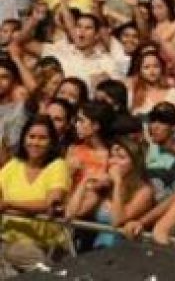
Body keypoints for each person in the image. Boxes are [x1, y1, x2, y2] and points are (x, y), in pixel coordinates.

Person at [0, 115, 71, 273]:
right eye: (31, 137)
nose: (35, 143)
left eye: (42, 138)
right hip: (7, 242)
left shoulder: (57, 166)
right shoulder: (13, 165)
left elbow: (50, 202)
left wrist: (9, 204)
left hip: (44, 246)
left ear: (51, 142)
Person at [64, 136, 154, 248]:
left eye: (121, 157)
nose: (114, 161)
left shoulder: (144, 191)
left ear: (134, 163)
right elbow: (70, 213)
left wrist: (118, 183)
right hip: (98, 250)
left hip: (126, 251)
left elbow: (118, 220)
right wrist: (85, 181)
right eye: (112, 156)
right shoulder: (106, 186)